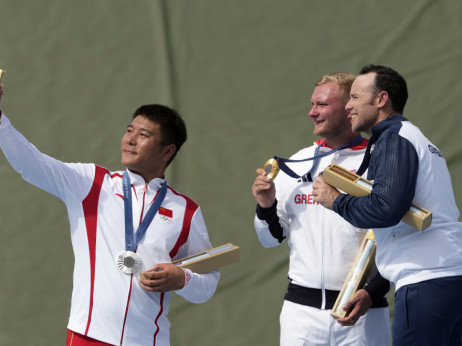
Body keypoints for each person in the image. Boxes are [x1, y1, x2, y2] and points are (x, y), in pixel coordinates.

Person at [0, 82, 219, 346]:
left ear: (167, 151)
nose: (130, 139)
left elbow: (208, 283)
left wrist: (182, 278)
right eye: (129, 130)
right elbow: (30, 163)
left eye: (143, 134)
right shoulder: (91, 183)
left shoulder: (187, 211)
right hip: (87, 337)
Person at [312, 64, 462, 345]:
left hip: (426, 283)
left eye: (355, 97)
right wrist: (373, 289)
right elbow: (402, 221)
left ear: (381, 100)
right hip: (447, 280)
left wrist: (335, 201)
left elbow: (386, 210)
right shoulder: (414, 139)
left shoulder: (394, 140)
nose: (348, 106)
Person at [252, 72, 391, 345]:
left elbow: (400, 236)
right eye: (312, 104)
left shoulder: (382, 159)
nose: (311, 112)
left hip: (363, 312)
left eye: (322, 105)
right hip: (300, 314)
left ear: (349, 107)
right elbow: (270, 239)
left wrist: (373, 292)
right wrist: (266, 206)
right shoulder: (297, 162)